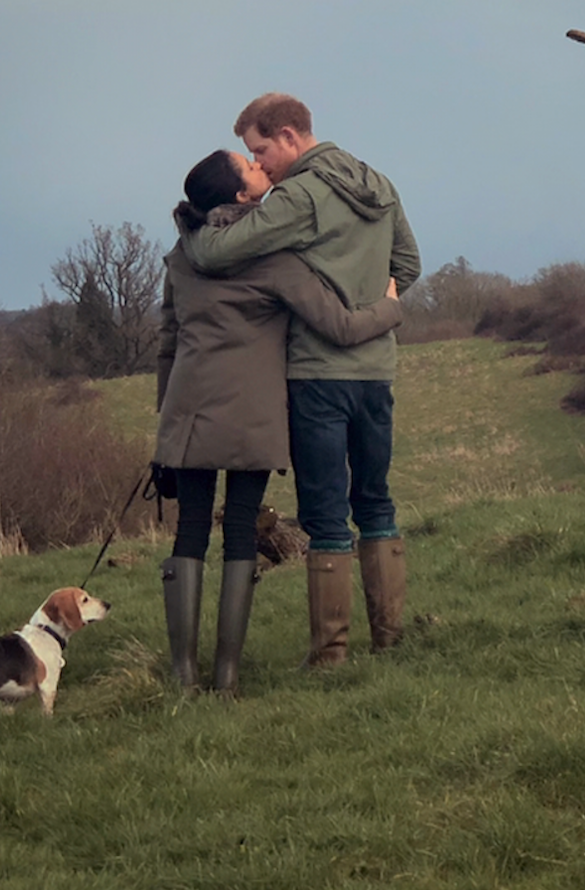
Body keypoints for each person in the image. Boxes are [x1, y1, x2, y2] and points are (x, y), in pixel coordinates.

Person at [178, 93, 421, 667]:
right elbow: (407, 265)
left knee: (325, 511)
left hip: (317, 371)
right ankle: (389, 640)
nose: (259, 162)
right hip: (376, 369)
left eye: (260, 149)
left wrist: (188, 229)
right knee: (377, 502)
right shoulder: (378, 184)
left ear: (289, 135)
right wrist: (375, 308)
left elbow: (220, 252)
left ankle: (330, 654)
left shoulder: (300, 195)